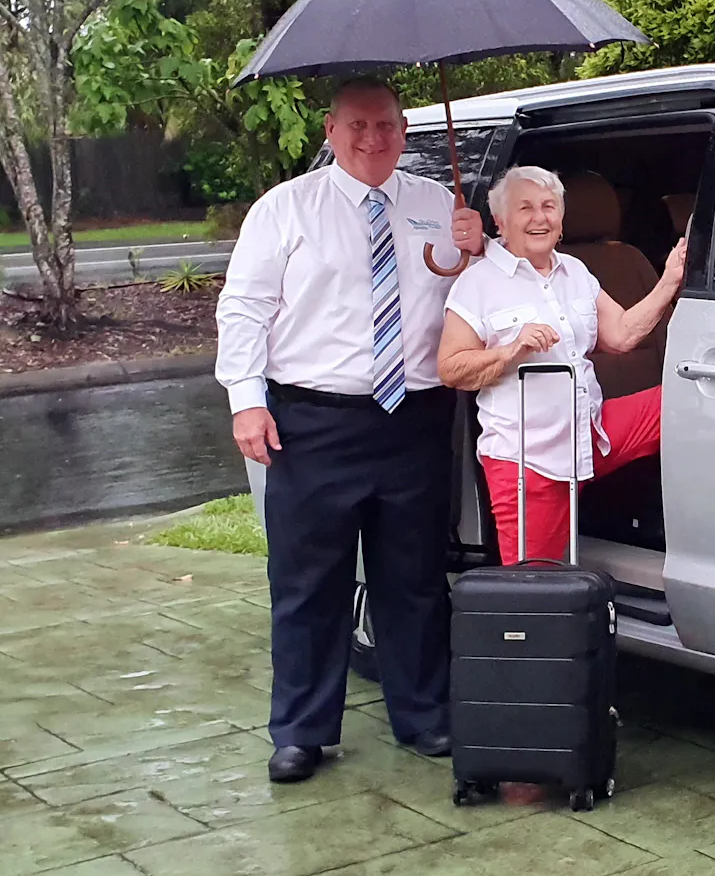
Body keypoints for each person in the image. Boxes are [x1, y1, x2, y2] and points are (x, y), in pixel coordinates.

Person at [215, 77, 488, 783]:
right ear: (330, 130)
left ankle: (425, 717)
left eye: (388, 126)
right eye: (359, 127)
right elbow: (243, 309)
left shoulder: (441, 206)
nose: (375, 140)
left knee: (416, 580)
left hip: (415, 420)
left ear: (405, 131)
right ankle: (302, 732)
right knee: (309, 585)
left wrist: (479, 249)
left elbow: (478, 300)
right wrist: (247, 399)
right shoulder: (285, 210)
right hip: (312, 423)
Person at [437, 166, 685, 564]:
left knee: (689, 404)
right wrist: (512, 350)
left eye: (549, 206)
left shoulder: (576, 272)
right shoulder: (478, 283)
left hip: (591, 432)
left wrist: (670, 281)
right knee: (535, 587)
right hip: (528, 462)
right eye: (526, 208)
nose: (540, 218)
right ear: (500, 221)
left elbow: (621, 334)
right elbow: (451, 368)